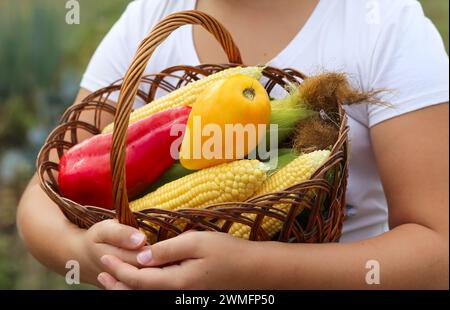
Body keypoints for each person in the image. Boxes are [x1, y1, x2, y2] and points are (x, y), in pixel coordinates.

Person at [17, 0, 448, 289]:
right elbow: (46, 190)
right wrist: (83, 255)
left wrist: (257, 271)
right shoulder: (154, 13)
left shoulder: (382, 21)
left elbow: (438, 250)